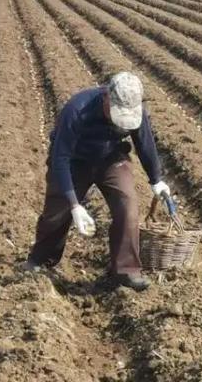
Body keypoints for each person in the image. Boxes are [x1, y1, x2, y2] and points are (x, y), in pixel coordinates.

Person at [24, 72, 170, 291]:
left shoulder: (135, 111)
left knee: (128, 205)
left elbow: (144, 143)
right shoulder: (77, 110)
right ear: (107, 98)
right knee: (58, 210)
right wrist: (74, 204)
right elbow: (60, 158)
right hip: (74, 160)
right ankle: (41, 260)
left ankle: (126, 270)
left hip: (111, 159)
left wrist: (156, 179)